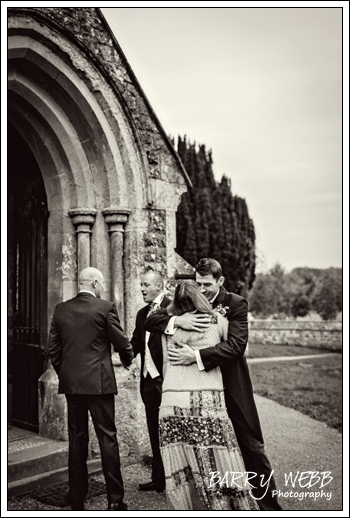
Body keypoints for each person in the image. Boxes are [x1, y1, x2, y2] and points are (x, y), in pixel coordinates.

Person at [145, 258, 282, 510]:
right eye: (198, 284)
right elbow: (150, 320)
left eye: (207, 284)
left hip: (232, 385)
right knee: (213, 450)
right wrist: (177, 322)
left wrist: (195, 356)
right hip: (200, 393)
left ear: (220, 281)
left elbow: (236, 346)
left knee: (250, 445)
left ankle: (268, 506)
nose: (202, 289)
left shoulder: (236, 304)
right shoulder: (186, 304)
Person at [157, 280, 259, 510]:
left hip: (171, 400)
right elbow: (242, 350)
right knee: (216, 458)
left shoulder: (172, 326)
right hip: (205, 399)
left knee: (182, 459)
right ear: (200, 298)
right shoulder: (217, 321)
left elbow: (165, 361)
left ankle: (187, 507)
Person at [47, 267, 134, 511]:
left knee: (77, 441)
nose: (103, 288)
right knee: (107, 439)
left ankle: (76, 497)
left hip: (73, 387)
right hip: (100, 385)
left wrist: (68, 373)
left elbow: (53, 350)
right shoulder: (105, 308)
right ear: (95, 283)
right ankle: (115, 501)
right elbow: (121, 342)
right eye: (102, 284)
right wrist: (129, 360)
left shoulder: (61, 309)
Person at [130, 270, 171, 493]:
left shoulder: (172, 308)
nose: (142, 288)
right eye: (141, 285)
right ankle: (158, 479)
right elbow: (136, 343)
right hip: (148, 383)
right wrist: (122, 354)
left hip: (167, 381)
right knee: (154, 430)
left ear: (158, 286)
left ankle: (175, 477)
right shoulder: (140, 313)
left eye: (146, 285)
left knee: (171, 429)